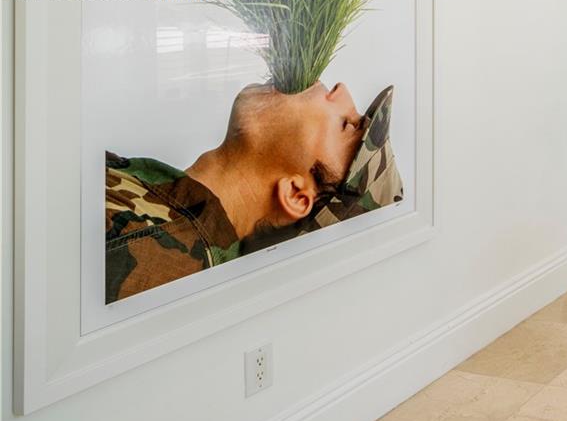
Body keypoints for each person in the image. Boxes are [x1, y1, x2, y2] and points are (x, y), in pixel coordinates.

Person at [105, 81, 393, 303]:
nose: (341, 89)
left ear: (295, 194)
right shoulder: (161, 210)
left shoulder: (150, 252)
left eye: (347, 126)